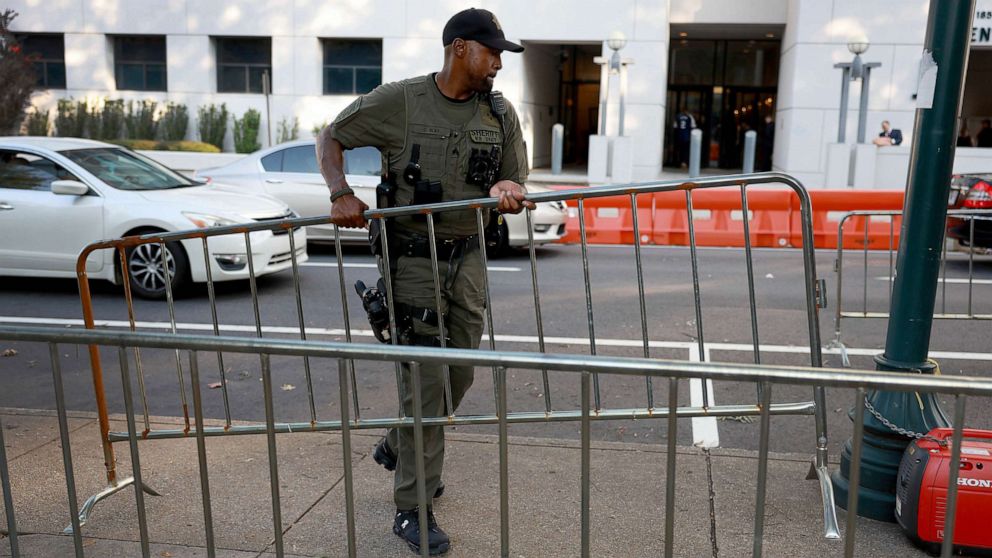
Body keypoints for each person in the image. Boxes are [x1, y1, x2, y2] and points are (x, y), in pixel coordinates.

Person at [316, 8, 532, 556]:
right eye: (493, 53)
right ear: (461, 48)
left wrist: (510, 184)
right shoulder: (400, 100)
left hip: (469, 258)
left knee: (458, 374)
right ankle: (412, 508)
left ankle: (397, 442)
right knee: (427, 384)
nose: (498, 65)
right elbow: (331, 136)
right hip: (410, 258)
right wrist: (340, 192)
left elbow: (516, 176)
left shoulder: (500, 114)